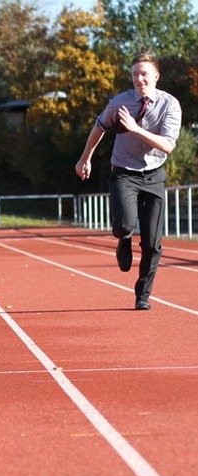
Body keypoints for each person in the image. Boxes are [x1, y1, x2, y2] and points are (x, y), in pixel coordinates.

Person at [75, 50, 181, 310]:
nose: (139, 79)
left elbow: (167, 146)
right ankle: (123, 238)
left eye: (144, 74)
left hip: (155, 174)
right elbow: (99, 126)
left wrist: (135, 128)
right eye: (135, 74)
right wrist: (85, 158)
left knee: (153, 243)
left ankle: (143, 294)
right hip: (124, 171)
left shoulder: (170, 104)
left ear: (156, 76)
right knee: (123, 225)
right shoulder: (119, 103)